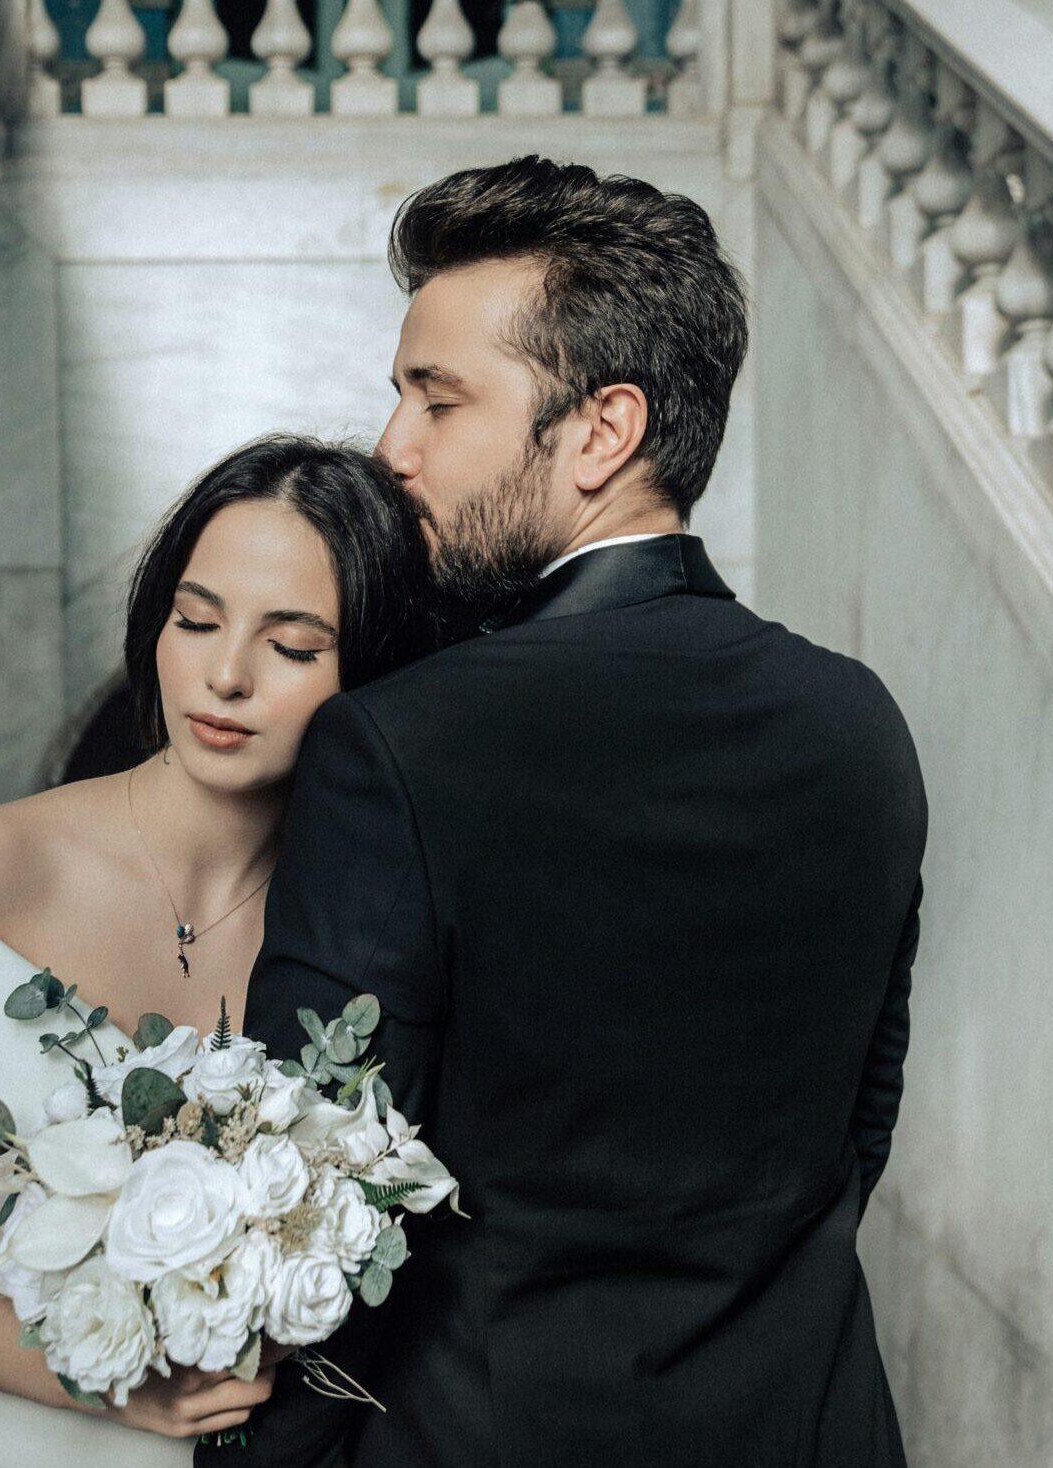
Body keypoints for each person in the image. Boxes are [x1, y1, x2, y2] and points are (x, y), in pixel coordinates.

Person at [197, 156, 929, 1468]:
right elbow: (853, 1132)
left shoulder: (395, 740)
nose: (391, 450)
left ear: (601, 430)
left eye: (437, 401)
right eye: (396, 399)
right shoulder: (857, 724)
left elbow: (302, 1193)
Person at [0, 434, 439, 1465]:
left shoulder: (348, 943)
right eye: (195, 620)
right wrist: (102, 1377)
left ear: (371, 672)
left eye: (292, 646)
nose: (227, 674)